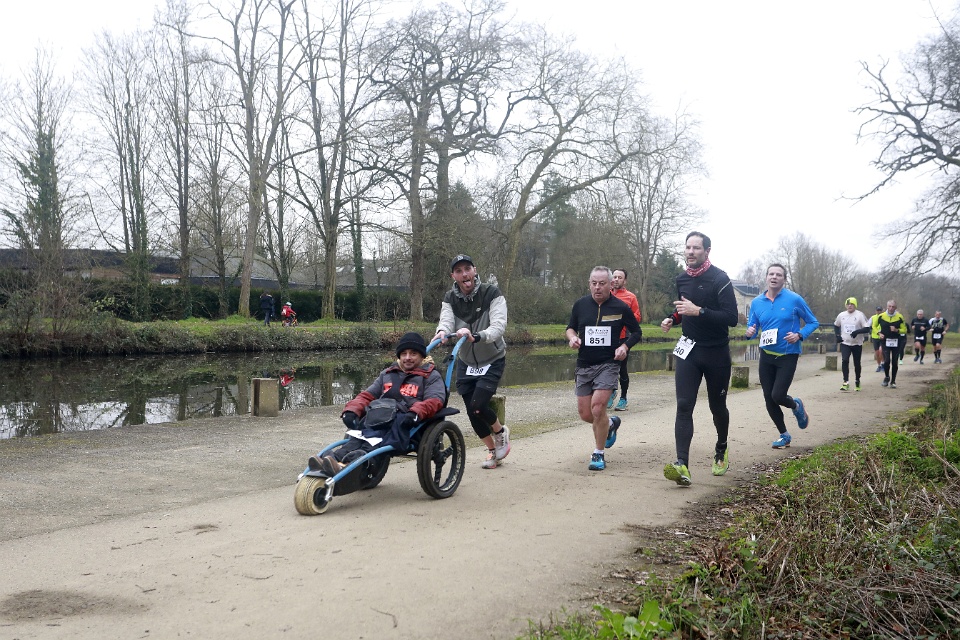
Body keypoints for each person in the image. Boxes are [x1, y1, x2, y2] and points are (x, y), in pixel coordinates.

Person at [659, 232, 739, 486]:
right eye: (688, 247)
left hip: (716, 352)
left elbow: (731, 318)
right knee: (684, 404)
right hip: (690, 351)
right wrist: (673, 318)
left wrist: (699, 311)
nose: (691, 252)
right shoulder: (681, 278)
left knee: (717, 406)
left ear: (707, 251)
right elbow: (684, 308)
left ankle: (721, 447)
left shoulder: (720, 278)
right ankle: (682, 464)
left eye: (696, 248)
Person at [309, 332, 445, 476]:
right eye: (403, 353)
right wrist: (351, 410)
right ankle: (333, 459)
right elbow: (368, 395)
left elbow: (435, 400)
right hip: (380, 416)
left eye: (413, 354)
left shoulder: (431, 376)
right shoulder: (388, 374)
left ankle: (356, 462)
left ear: (422, 356)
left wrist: (416, 412)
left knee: (375, 441)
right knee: (359, 436)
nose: (407, 357)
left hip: (406, 421)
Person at [432, 254, 511, 470]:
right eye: (459, 271)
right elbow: (446, 321)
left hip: (492, 358)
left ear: (474, 270)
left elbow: (499, 326)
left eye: (467, 269)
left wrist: (477, 336)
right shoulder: (450, 298)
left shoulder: (491, 293)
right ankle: (492, 451)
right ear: (453, 276)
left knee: (478, 405)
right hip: (466, 361)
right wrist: (441, 332)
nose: (464, 274)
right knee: (471, 411)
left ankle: (500, 432)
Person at [566, 266, 642, 471]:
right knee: (585, 414)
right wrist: (572, 338)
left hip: (608, 363)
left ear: (611, 284)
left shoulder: (620, 307)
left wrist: (625, 346)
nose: (597, 287)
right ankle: (609, 424)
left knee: (598, 408)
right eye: (594, 283)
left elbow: (636, 332)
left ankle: (598, 453)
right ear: (589, 284)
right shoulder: (581, 305)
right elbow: (570, 327)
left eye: (602, 283)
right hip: (584, 364)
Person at [745, 263, 819, 449]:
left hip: (788, 354)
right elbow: (752, 328)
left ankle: (796, 406)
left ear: (784, 279)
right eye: (771, 274)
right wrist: (750, 332)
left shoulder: (794, 299)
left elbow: (813, 322)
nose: (774, 277)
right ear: (766, 277)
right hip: (766, 355)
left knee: (778, 395)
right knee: (768, 397)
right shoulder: (757, 302)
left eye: (778, 275)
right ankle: (784, 435)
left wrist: (799, 334)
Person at [606, 268, 642, 412]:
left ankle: (623, 398)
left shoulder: (630, 297)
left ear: (625, 281)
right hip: (607, 337)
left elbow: (637, 317)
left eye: (619, 277)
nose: (616, 279)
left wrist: (624, 317)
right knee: (607, 367)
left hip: (623, 337)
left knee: (622, 368)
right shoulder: (606, 295)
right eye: (614, 277)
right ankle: (611, 392)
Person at [833, 297, 871, 391]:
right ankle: (845, 382)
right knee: (845, 360)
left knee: (857, 363)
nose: (850, 306)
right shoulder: (841, 315)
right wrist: (838, 336)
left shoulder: (860, 315)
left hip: (857, 343)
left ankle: (857, 380)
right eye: (848, 304)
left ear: (855, 305)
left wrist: (857, 332)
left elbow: (867, 328)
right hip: (845, 342)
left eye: (852, 304)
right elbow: (836, 325)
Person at [873, 299, 907, 389]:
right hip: (885, 341)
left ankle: (893, 381)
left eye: (893, 307)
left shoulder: (899, 317)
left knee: (895, 362)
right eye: (889, 306)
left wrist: (897, 330)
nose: (891, 308)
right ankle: (887, 377)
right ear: (887, 307)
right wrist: (879, 333)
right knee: (887, 360)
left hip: (896, 341)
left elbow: (905, 330)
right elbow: (874, 326)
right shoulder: (881, 316)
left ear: (895, 307)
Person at [870, 305, 884, 372]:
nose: (879, 311)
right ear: (875, 311)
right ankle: (879, 365)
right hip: (875, 337)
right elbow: (868, 325)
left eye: (880, 310)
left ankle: (883, 363)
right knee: (877, 353)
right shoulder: (873, 317)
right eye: (878, 310)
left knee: (881, 351)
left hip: (882, 337)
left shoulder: (884, 317)